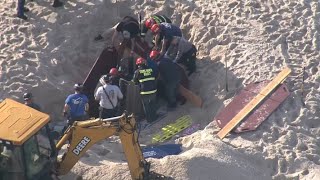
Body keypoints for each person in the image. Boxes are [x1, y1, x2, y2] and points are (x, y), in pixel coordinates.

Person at [132, 57, 158, 122]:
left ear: (138, 65)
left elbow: (135, 82)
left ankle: (149, 119)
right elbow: (155, 76)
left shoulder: (137, 72)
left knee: (146, 106)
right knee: (152, 104)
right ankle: (154, 117)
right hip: (153, 90)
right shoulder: (150, 69)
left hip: (144, 92)